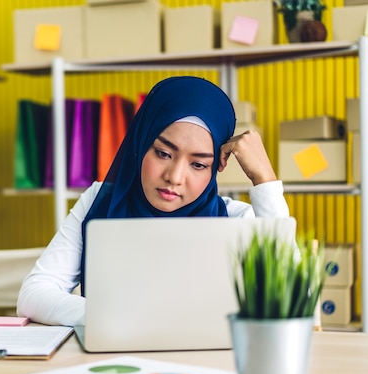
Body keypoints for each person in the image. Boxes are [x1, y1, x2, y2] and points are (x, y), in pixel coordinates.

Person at [16, 76, 291, 326]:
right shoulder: (99, 202)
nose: (175, 177)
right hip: (110, 366)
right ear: (140, 143)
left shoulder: (236, 221)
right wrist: (116, 317)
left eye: (197, 164)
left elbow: (289, 297)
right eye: (163, 153)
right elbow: (34, 294)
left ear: (216, 167)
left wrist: (264, 179)